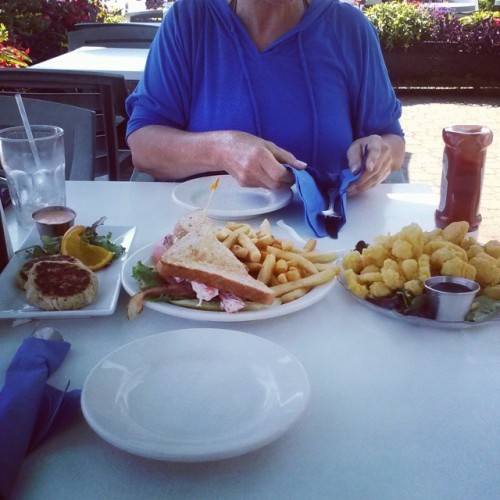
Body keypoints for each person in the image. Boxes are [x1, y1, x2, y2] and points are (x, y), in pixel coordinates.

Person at [126, 0, 405, 194]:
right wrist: (222, 150)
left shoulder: (349, 28)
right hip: (208, 237)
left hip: (330, 238)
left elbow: (392, 141)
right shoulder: (189, 20)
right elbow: (143, 147)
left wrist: (379, 156)